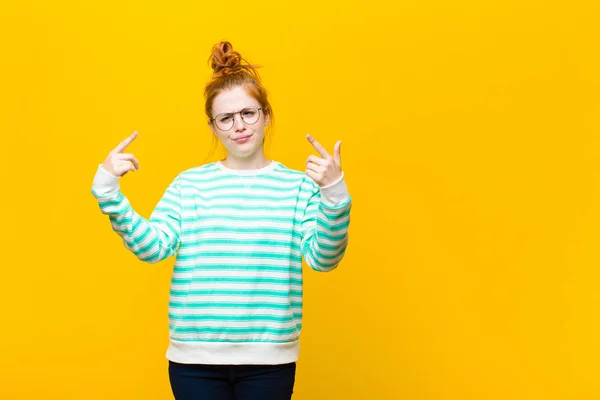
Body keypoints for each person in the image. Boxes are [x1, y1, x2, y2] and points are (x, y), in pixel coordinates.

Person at [91, 41, 352, 400]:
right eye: (226, 118)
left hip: (269, 359)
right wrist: (109, 195)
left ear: (266, 115)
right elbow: (152, 248)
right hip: (194, 359)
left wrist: (334, 195)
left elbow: (323, 259)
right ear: (214, 127)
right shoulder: (190, 185)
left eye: (248, 113)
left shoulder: (298, 187)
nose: (239, 126)